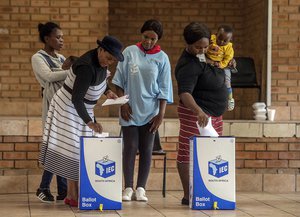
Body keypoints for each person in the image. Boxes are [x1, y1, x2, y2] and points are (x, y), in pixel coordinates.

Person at [39, 35, 124, 207]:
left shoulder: (100, 63)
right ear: (100, 50)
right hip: (68, 109)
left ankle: (73, 194)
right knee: (73, 150)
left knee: (79, 150)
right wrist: (89, 122)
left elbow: (101, 79)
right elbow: (76, 99)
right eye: (108, 58)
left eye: (113, 61)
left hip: (82, 109)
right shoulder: (86, 66)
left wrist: (108, 92)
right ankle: (72, 195)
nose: (109, 63)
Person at [112, 19, 173, 202]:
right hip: (129, 109)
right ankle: (128, 187)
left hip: (151, 112)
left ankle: (141, 188)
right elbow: (118, 81)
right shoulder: (130, 52)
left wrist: (161, 114)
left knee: (146, 149)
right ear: (141, 35)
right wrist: (123, 103)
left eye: (153, 39)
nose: (148, 41)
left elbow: (165, 87)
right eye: (146, 37)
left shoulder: (162, 58)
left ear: (158, 39)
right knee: (130, 147)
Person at [175, 22, 228, 205]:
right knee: (187, 152)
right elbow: (185, 93)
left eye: (205, 46)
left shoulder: (206, 55)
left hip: (213, 113)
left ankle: (208, 190)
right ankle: (188, 194)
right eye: (198, 47)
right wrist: (198, 111)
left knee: (212, 153)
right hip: (195, 114)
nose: (202, 50)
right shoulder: (188, 64)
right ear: (188, 44)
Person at [31, 21, 68, 203]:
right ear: (47, 38)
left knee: (60, 148)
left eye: (62, 37)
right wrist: (71, 70)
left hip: (65, 109)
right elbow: (48, 77)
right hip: (52, 109)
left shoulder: (61, 59)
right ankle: (43, 187)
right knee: (55, 148)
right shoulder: (38, 58)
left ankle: (63, 190)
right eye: (58, 37)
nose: (62, 40)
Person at [205, 25, 235, 111]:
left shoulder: (229, 48)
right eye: (219, 38)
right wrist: (210, 46)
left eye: (225, 41)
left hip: (222, 65)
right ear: (216, 34)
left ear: (230, 40)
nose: (221, 42)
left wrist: (220, 65)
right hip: (209, 62)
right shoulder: (211, 39)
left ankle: (230, 99)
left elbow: (227, 59)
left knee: (227, 80)